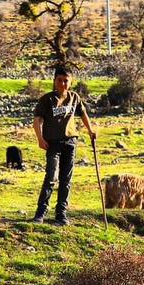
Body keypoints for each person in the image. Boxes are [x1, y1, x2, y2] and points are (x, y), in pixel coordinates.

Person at [31, 66, 96, 225]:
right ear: (54, 81)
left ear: (71, 82)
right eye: (59, 80)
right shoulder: (46, 99)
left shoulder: (74, 98)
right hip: (52, 143)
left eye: (66, 81)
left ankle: (61, 214)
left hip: (70, 142)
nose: (62, 83)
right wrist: (40, 139)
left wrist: (90, 130)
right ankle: (41, 213)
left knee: (66, 179)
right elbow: (37, 120)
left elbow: (83, 114)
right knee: (51, 177)